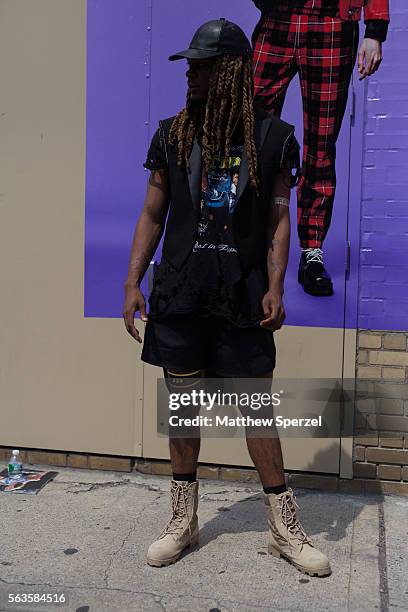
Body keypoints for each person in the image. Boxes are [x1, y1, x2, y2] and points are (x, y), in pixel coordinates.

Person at [123, 18, 331, 577]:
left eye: (202, 65)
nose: (190, 73)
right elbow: (151, 213)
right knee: (184, 409)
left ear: (232, 71)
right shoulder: (172, 134)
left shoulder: (272, 138)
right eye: (190, 64)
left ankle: (284, 528)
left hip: (241, 295)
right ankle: (183, 522)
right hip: (182, 293)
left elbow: (279, 221)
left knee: (255, 411)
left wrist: (277, 284)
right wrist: (131, 282)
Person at [252, 0, 390, 296]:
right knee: (252, 137)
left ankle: (311, 252)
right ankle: (242, 242)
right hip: (278, 18)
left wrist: (375, 30)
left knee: (321, 145)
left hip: (332, 23)